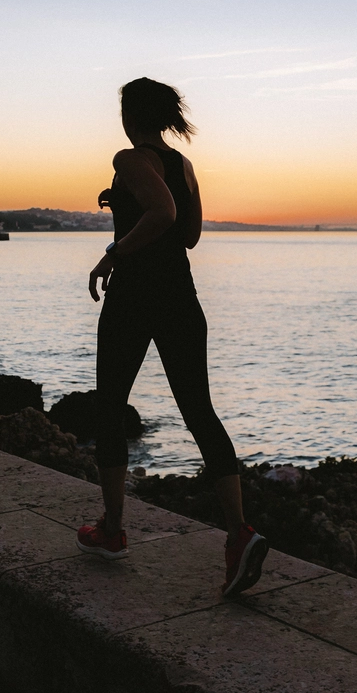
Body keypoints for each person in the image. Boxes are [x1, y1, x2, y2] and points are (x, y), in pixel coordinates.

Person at [76, 77, 269, 597]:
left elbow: (161, 214)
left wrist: (113, 252)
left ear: (130, 115)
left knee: (110, 407)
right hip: (181, 298)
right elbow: (188, 234)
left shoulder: (130, 158)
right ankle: (238, 533)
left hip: (134, 299)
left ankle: (113, 530)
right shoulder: (183, 165)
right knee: (199, 411)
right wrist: (126, 208)